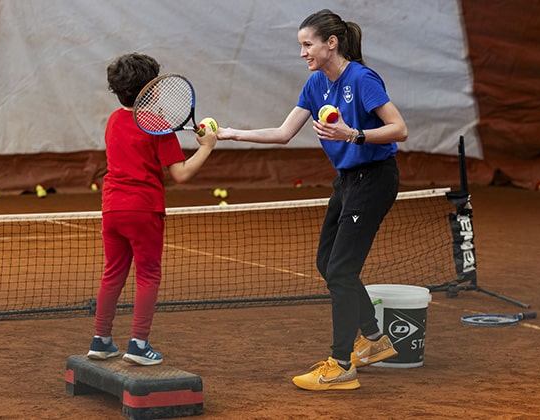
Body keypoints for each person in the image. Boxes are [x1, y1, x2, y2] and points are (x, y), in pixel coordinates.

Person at [216, 9, 408, 390]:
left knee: (340, 269)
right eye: (301, 45)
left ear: (330, 43)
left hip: (375, 180)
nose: (303, 52)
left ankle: (341, 366)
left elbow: (399, 129)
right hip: (348, 182)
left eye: (307, 44)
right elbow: (284, 133)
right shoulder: (316, 84)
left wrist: (353, 135)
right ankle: (373, 339)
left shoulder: (362, 78)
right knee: (327, 262)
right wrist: (231, 133)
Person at [87, 52, 218, 366]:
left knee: (112, 274)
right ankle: (138, 344)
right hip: (144, 210)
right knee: (148, 275)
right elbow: (181, 174)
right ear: (152, 89)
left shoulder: (113, 120)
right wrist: (208, 147)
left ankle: (101, 340)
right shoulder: (157, 124)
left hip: (112, 209)